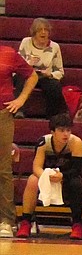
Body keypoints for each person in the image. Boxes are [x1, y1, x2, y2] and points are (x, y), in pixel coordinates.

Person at [15, 112, 82, 239]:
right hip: (47, 177)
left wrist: (62, 176)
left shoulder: (76, 142)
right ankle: (26, 222)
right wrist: (47, 177)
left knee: (76, 182)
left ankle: (77, 224)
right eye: (61, 130)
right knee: (32, 180)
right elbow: (36, 167)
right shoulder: (43, 142)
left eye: (68, 130)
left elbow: (77, 169)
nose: (66, 134)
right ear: (52, 132)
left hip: (67, 177)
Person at [0, 44, 36, 238]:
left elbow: (32, 75)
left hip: (2, 115)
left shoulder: (8, 53)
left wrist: (21, 99)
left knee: (3, 170)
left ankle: (6, 221)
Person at [17, 18, 66, 118]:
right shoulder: (26, 42)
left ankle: (52, 116)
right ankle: (19, 111)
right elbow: (18, 64)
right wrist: (28, 64)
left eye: (46, 30)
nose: (43, 32)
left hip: (44, 76)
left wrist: (50, 74)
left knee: (54, 86)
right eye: (40, 30)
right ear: (34, 32)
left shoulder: (54, 47)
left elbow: (60, 72)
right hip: (28, 73)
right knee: (20, 79)